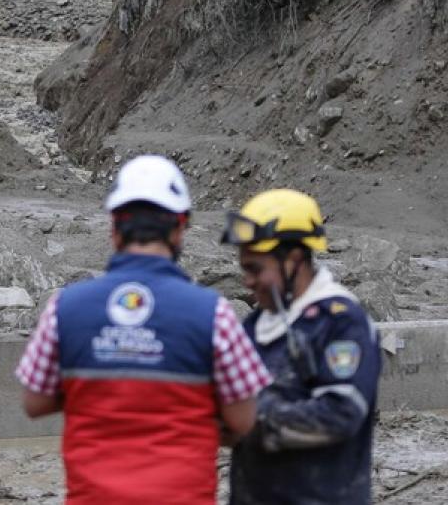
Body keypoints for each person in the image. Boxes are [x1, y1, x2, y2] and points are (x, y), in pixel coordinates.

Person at [15, 154, 272, 505]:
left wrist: (99, 389)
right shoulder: (214, 314)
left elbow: (35, 402)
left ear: (114, 228)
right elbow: (244, 421)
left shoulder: (64, 308)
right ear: (180, 228)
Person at [220, 189, 381, 505]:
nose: (247, 281)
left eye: (255, 269)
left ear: (293, 260)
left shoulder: (340, 322)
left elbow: (341, 413)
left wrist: (250, 420)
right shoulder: (255, 327)